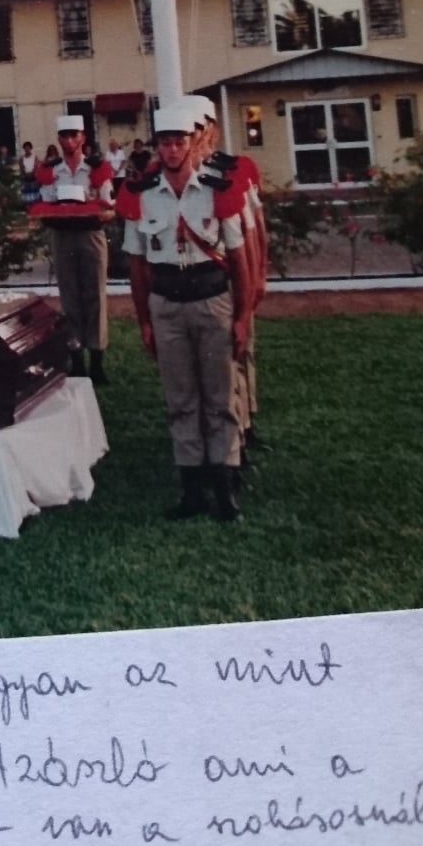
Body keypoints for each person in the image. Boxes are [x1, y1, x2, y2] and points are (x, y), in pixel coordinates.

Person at [123, 103, 252, 524]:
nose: (173, 149)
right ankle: (192, 489)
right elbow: (138, 268)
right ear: (157, 148)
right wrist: (144, 320)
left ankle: (225, 488)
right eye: (165, 143)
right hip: (167, 306)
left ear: (190, 144)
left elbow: (238, 260)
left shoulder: (219, 190)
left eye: (180, 141)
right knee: (180, 399)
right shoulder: (142, 196)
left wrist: (242, 316)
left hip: (212, 302)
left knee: (219, 398)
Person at [188, 95, 270, 455]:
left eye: (202, 132)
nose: (197, 141)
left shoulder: (235, 172)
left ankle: (245, 425)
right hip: (202, 286)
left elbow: (256, 230)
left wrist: (258, 275)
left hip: (235, 275)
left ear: (213, 133)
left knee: (241, 352)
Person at [36, 115, 114, 384]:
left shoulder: (97, 168)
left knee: (95, 296)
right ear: (58, 139)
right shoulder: (52, 171)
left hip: (90, 234)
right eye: (64, 136)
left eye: (74, 136)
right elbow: (45, 204)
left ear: (83, 138)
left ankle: (98, 362)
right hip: (63, 236)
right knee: (69, 297)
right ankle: (77, 359)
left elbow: (108, 206)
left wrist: (93, 210)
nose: (69, 141)